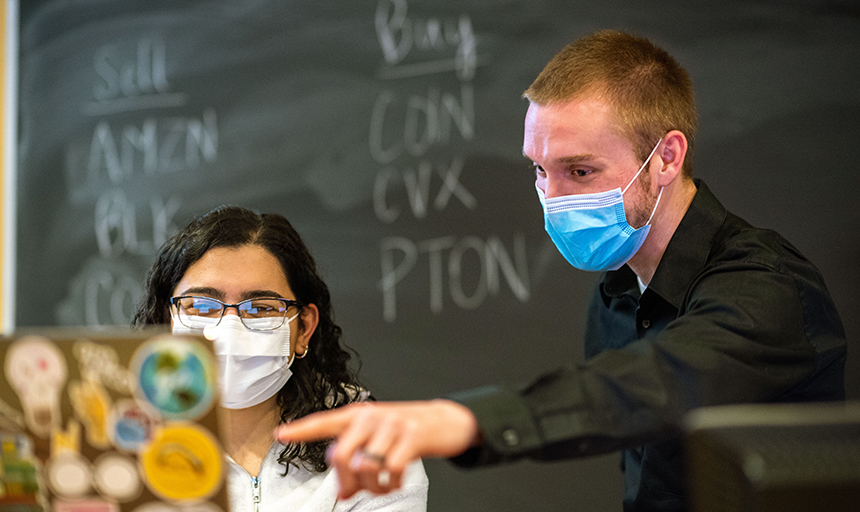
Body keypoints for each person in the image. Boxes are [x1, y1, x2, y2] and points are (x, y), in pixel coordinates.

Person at [274, 29, 847, 512]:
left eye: (579, 171)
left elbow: (652, 384)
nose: (552, 197)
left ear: (667, 158)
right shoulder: (617, 294)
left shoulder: (767, 287)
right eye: (539, 171)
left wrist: (462, 420)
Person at [132, 205, 428, 511]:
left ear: (304, 329)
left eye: (260, 308)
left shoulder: (368, 444)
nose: (228, 330)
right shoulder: (123, 439)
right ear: (166, 321)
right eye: (203, 307)